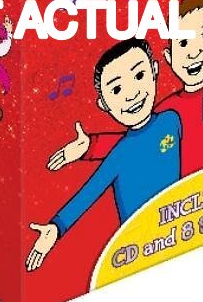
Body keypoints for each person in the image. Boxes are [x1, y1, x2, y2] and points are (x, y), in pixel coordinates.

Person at [47, 0, 203, 179]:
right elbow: (134, 145)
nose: (194, 53)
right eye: (183, 43)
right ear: (169, 56)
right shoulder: (166, 111)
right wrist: (91, 146)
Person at [26, 38, 181, 272]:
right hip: (140, 246)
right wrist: (57, 227)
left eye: (139, 76)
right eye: (116, 89)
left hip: (180, 229)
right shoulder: (119, 155)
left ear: (154, 70)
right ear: (103, 104)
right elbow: (89, 192)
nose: (132, 94)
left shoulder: (172, 120)